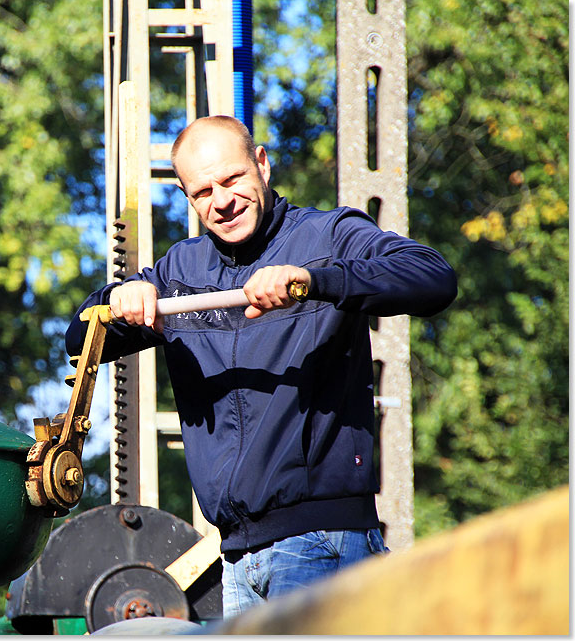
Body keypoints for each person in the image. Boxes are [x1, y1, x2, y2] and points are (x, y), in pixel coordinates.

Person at [65, 115, 457, 617]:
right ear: (187, 198)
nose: (222, 201)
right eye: (202, 192)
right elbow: (80, 338)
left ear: (262, 164)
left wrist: (313, 280)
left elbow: (433, 277)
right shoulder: (180, 272)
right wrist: (118, 296)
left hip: (322, 545)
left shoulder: (328, 235)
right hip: (237, 562)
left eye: (231, 180)